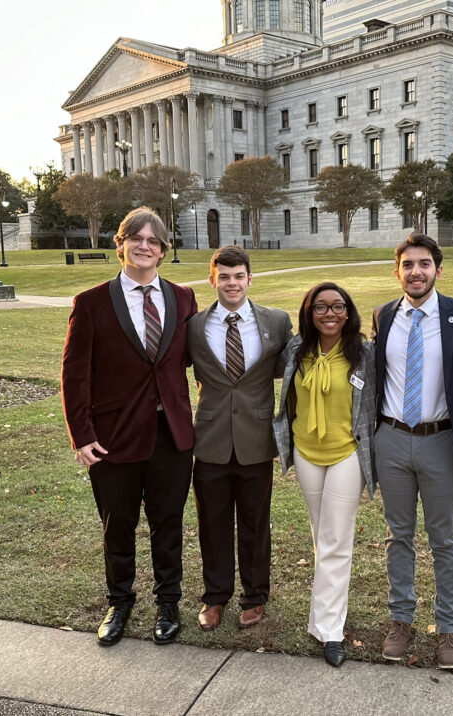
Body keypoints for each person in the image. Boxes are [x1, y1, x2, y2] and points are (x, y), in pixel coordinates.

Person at [61, 206, 198, 648]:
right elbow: (75, 374)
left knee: (168, 524)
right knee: (117, 525)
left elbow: (198, 361)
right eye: (135, 239)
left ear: (163, 251)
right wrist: (82, 436)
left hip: (171, 435)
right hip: (113, 438)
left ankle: (167, 603)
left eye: (153, 241)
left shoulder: (183, 298)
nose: (144, 246)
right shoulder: (92, 303)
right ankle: (119, 601)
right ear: (120, 245)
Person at [372, 232, 453, 670]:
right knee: (398, 535)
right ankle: (401, 620)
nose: (416, 272)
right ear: (398, 271)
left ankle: (449, 628)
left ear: (438, 270)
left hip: (443, 441)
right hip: (390, 439)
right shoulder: (383, 315)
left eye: (424, 264)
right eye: (408, 265)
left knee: (444, 539)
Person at [187, 246, 292, 632]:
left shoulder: (277, 322)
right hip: (210, 439)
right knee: (212, 522)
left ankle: (254, 597)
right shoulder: (194, 327)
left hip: (256, 440)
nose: (232, 283)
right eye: (224, 276)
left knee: (255, 522)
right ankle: (215, 597)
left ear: (250, 279)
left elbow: (295, 367)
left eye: (238, 276)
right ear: (212, 280)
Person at [273, 282, 376, 667]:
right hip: (306, 453)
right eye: (321, 307)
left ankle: (331, 631)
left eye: (337, 306)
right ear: (309, 313)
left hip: (347, 453)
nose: (329, 313)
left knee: (336, 540)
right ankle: (322, 619)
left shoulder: (365, 354)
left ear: (348, 312)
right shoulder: (295, 351)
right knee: (322, 537)